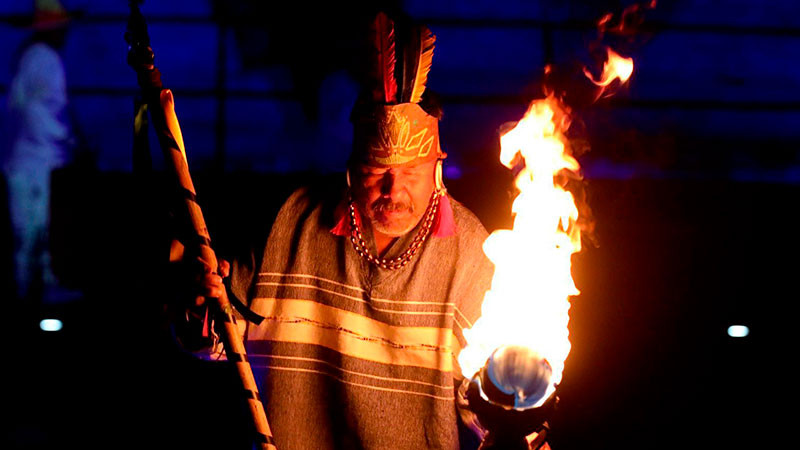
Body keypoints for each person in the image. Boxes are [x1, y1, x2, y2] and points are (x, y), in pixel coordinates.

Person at [173, 13, 550, 450]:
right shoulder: (293, 221)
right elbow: (216, 340)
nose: (395, 189)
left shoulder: (471, 253)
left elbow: (492, 404)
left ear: (438, 168)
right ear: (352, 168)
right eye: (377, 170)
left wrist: (521, 429)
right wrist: (199, 301)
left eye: (411, 171)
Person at [3, 0, 74, 302]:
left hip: (30, 157)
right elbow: (35, 109)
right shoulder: (44, 59)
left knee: (31, 229)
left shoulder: (32, 57)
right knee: (35, 228)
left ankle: (30, 289)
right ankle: (33, 291)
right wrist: (65, 138)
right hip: (36, 159)